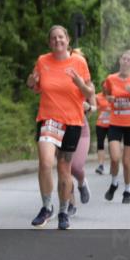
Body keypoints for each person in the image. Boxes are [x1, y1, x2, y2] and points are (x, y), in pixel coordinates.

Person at [26, 25, 94, 229]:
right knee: (46, 163)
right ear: (49, 42)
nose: (57, 41)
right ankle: (47, 207)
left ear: (68, 39)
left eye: (61, 37)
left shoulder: (79, 62)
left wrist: (79, 83)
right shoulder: (42, 61)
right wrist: (31, 81)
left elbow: (90, 90)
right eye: (54, 38)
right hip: (49, 120)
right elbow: (34, 87)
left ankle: (64, 212)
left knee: (65, 169)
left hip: (72, 121)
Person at [102, 50, 130, 204]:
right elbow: (105, 92)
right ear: (120, 60)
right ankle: (114, 183)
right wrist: (109, 98)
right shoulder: (111, 78)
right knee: (114, 158)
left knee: (127, 162)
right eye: (123, 58)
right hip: (115, 123)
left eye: (129, 60)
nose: (125, 61)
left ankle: (127, 191)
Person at [67, 50, 96, 217]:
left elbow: (95, 106)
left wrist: (89, 108)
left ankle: (82, 181)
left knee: (76, 167)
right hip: (61, 126)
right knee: (65, 168)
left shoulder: (88, 85)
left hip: (81, 127)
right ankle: (71, 204)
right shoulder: (63, 80)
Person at [94, 91, 111, 175]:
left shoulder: (114, 95)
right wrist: (99, 107)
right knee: (100, 144)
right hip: (100, 124)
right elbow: (94, 107)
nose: (105, 88)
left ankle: (113, 164)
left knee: (112, 145)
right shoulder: (98, 96)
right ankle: (101, 165)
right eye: (104, 86)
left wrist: (111, 109)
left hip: (112, 124)